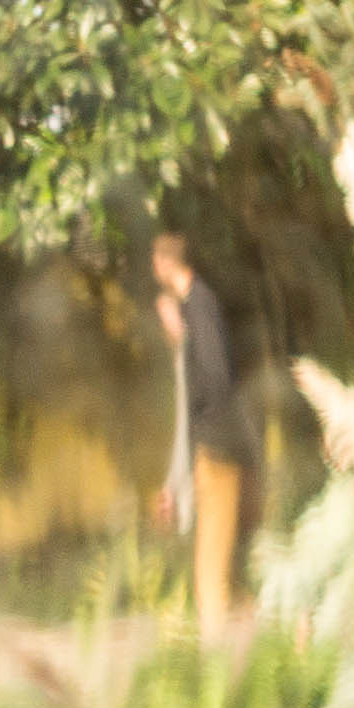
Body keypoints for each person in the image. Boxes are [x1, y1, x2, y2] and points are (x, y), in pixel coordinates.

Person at [151, 226, 250, 641]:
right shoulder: (195, 309)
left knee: (211, 571)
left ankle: (221, 666)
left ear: (164, 264)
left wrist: (183, 338)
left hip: (217, 448)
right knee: (212, 568)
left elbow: (214, 379)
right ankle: (233, 654)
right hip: (210, 448)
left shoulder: (199, 306)